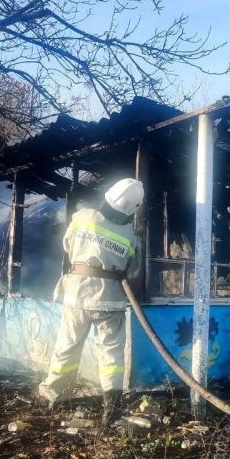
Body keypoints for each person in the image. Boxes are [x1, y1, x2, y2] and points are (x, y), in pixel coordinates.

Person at [38, 178, 143, 420]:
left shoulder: (83, 217)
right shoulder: (130, 234)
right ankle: (112, 405)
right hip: (111, 299)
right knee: (112, 353)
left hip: (77, 294)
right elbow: (133, 270)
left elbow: (67, 245)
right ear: (133, 209)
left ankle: (55, 396)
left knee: (67, 346)